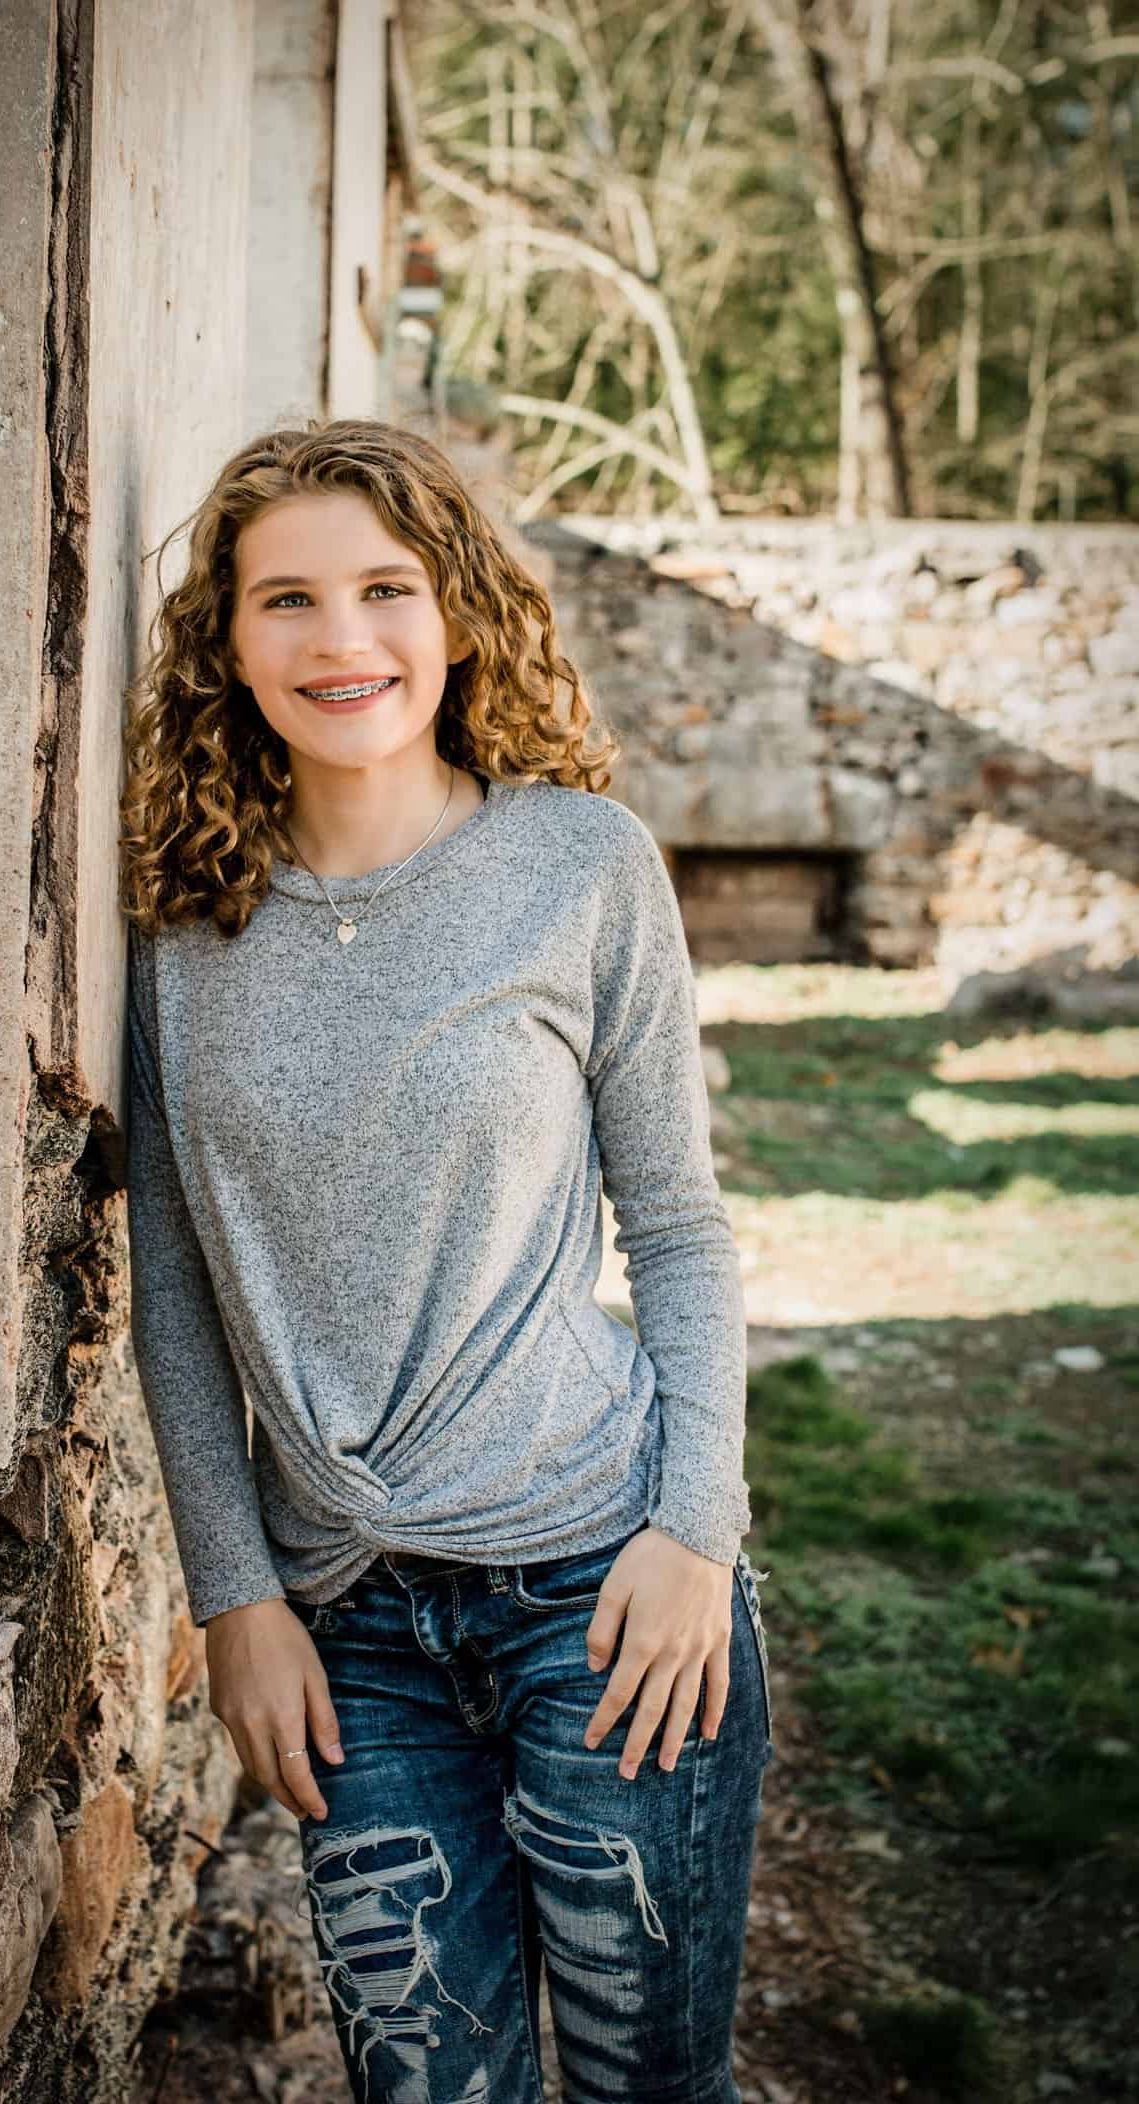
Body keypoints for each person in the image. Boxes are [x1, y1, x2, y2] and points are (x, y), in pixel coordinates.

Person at [119, 418, 773, 2104]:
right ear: (227, 642)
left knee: (645, 2087)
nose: (341, 639)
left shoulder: (579, 866)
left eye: (386, 588)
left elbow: (678, 1225)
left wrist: (696, 1530)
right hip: (349, 1636)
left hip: (601, 1589)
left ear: (461, 612)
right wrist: (235, 1597)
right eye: (287, 600)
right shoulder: (184, 925)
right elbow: (174, 1289)